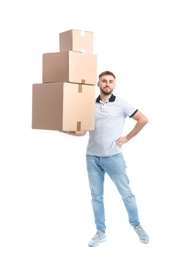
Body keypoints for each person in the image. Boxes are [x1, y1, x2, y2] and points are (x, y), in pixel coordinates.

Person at [62, 71, 149, 246]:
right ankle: (100, 232)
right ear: (98, 84)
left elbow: (143, 119)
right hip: (92, 157)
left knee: (127, 194)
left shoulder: (121, 104)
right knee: (96, 196)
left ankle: (136, 225)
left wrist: (127, 138)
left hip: (113, 157)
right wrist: (66, 131)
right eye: (104, 81)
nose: (107, 84)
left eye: (110, 81)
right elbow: (82, 131)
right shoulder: (88, 106)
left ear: (114, 85)